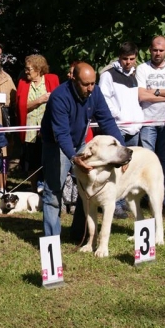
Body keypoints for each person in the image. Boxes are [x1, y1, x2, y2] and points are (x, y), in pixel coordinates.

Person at [40, 62, 124, 238]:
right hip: (56, 144)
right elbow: (61, 134)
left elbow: (107, 121)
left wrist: (122, 149)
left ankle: (79, 233)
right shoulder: (59, 97)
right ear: (73, 80)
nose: (90, 88)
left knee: (86, 189)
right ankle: (52, 240)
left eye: (93, 83)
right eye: (86, 84)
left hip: (79, 142)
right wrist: (73, 157)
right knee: (53, 191)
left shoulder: (96, 92)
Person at [136, 36, 165, 210]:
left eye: (161, 50)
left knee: (164, 161)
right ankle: (145, 197)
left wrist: (153, 91)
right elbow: (141, 96)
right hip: (147, 121)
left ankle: (163, 197)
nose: (158, 53)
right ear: (150, 49)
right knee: (146, 161)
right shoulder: (142, 68)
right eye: (155, 50)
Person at [98, 42, 144, 219]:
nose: (128, 62)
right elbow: (104, 100)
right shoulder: (108, 75)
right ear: (119, 57)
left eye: (132, 59)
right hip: (117, 127)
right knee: (114, 167)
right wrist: (118, 115)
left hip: (134, 127)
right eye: (125, 59)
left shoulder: (135, 74)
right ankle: (112, 203)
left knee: (129, 167)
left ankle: (123, 200)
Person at [16, 54, 60, 192]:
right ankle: (34, 189)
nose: (26, 71)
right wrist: (39, 100)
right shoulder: (23, 83)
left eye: (29, 69)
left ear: (38, 69)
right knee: (32, 161)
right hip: (29, 129)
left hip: (47, 129)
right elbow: (20, 107)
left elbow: (59, 103)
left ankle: (49, 188)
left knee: (49, 160)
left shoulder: (52, 80)